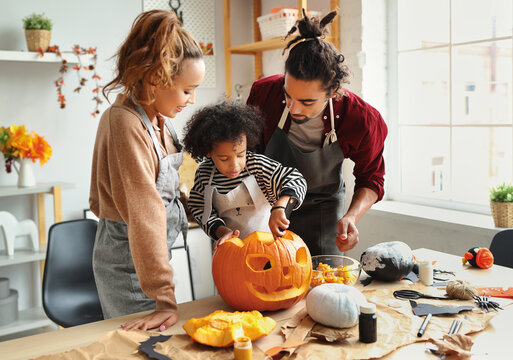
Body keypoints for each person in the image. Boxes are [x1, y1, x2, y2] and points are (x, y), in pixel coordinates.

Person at [89, 10, 205, 331]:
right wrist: (163, 298)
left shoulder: (160, 123)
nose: (192, 100)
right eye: (187, 90)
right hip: (129, 267)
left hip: (153, 260)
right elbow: (144, 211)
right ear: (156, 78)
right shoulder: (124, 122)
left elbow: (171, 190)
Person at [246, 9, 387, 256]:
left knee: (323, 286)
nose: (294, 108)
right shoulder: (264, 94)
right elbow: (246, 155)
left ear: (333, 91)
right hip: (268, 209)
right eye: (288, 95)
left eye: (307, 101)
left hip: (324, 214)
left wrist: (351, 217)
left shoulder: (361, 118)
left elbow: (372, 178)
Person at [183, 102, 307, 245]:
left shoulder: (257, 165)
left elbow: (295, 179)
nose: (234, 165)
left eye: (240, 155)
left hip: (271, 246)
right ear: (208, 152)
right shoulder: (205, 174)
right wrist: (222, 231)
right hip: (230, 248)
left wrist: (280, 206)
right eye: (224, 158)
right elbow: (200, 209)